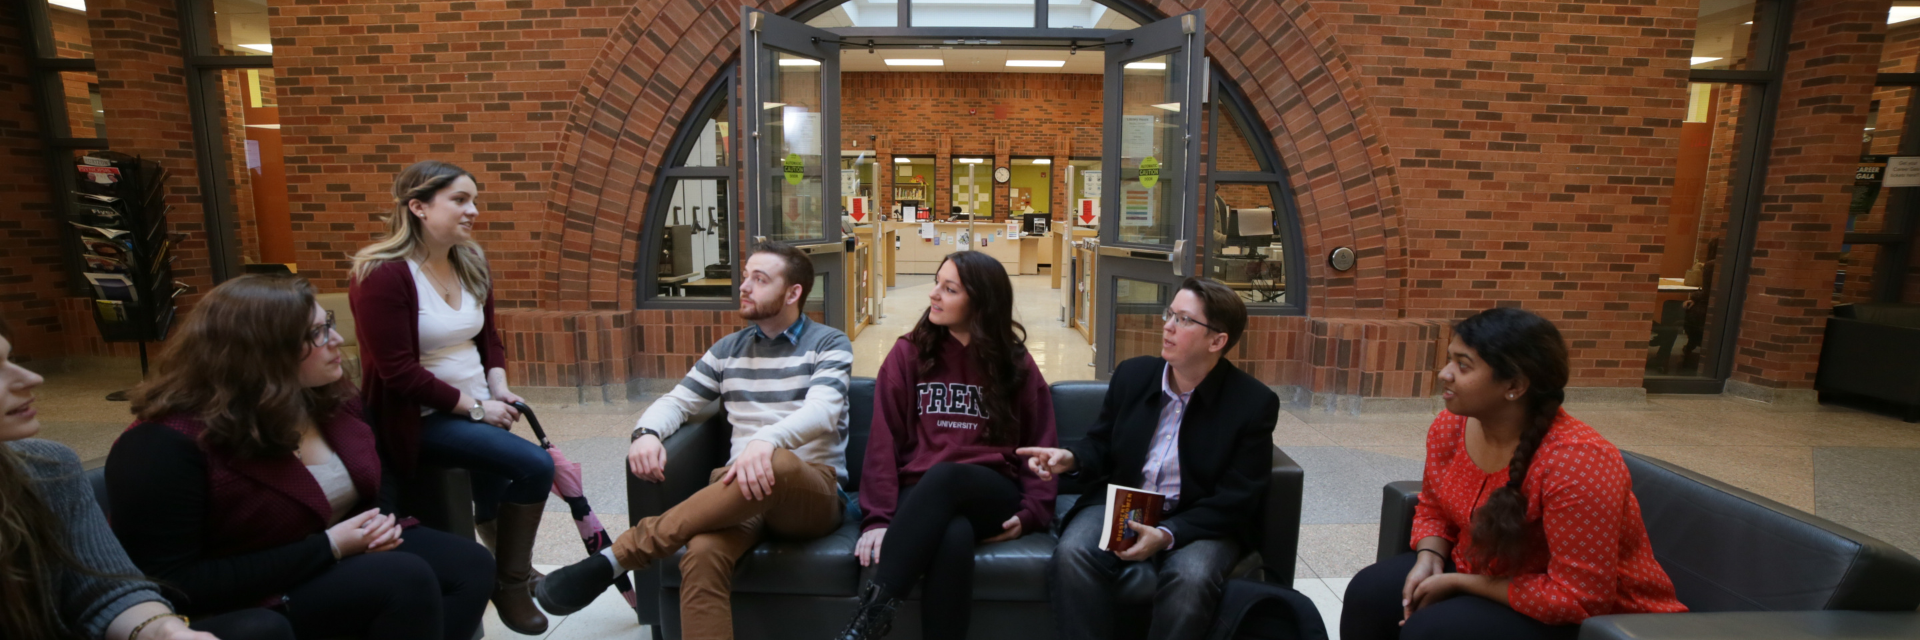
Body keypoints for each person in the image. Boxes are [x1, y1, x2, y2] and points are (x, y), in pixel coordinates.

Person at [106, 276, 494, 640]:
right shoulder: (161, 445)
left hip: (331, 552)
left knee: (470, 565)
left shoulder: (329, 396)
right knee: (404, 577)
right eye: (317, 333)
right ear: (261, 353)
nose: (338, 340)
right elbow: (172, 581)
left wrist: (379, 522)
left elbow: (380, 470)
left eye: (328, 322)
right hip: (248, 590)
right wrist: (329, 548)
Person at [536, 241, 854, 640]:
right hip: (743, 494)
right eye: (745, 276)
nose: (744, 286)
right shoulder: (727, 350)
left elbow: (822, 410)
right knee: (701, 554)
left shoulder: (829, 343)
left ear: (793, 293)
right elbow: (678, 402)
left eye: (760, 279)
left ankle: (622, 554)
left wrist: (767, 440)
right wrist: (646, 433)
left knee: (776, 462)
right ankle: (619, 559)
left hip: (809, 493)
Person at [1339, 307, 1686, 640]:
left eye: (1463, 365)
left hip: (1597, 619)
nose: (1445, 373)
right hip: (1483, 571)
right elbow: (1433, 507)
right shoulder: (1451, 426)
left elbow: (1580, 599)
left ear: (1515, 386)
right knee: (1370, 594)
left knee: (1433, 631)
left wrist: (1461, 583)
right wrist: (1430, 557)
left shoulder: (1577, 463)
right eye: (1450, 359)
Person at [347, 160, 552, 634]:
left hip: (477, 404)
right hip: (419, 417)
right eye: (460, 200)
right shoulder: (381, 273)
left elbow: (490, 339)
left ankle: (501, 565)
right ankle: (511, 581)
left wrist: (499, 388)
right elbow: (396, 371)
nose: (473, 210)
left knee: (504, 475)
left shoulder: (469, 259)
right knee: (534, 466)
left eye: (473, 200)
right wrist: (477, 409)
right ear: (417, 207)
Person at [1019, 277, 1280, 640]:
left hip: (1198, 516)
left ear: (1217, 341)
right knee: (1073, 555)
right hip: (1126, 497)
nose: (1168, 326)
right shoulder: (1134, 374)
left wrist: (1168, 533)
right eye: (1169, 313)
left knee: (1190, 579)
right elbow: (1101, 443)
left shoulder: (1252, 404)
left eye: (1185, 320)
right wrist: (1072, 457)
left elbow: (1239, 496)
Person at [0, 316, 289, 640]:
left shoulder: (48, 466)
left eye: (10, 359)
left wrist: (163, 631)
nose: (32, 377)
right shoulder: (166, 442)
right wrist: (330, 546)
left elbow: (108, 590)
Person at [836, 251, 1059, 640]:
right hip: (919, 494)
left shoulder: (1015, 363)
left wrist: (1033, 512)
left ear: (981, 300)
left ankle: (868, 620)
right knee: (953, 535)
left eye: (948, 288)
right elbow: (883, 440)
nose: (933, 295)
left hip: (991, 491)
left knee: (947, 475)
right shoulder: (908, 354)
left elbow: (1042, 444)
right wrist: (878, 517)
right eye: (936, 283)